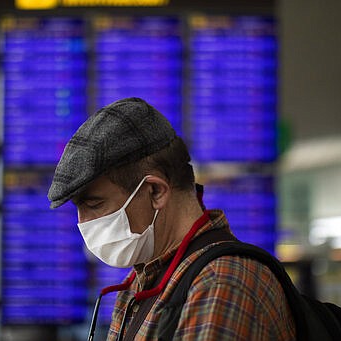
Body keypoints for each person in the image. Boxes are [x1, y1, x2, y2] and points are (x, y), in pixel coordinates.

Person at [48, 97, 296, 340]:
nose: (84, 223)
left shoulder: (221, 284)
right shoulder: (141, 283)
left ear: (156, 192)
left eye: (94, 204)